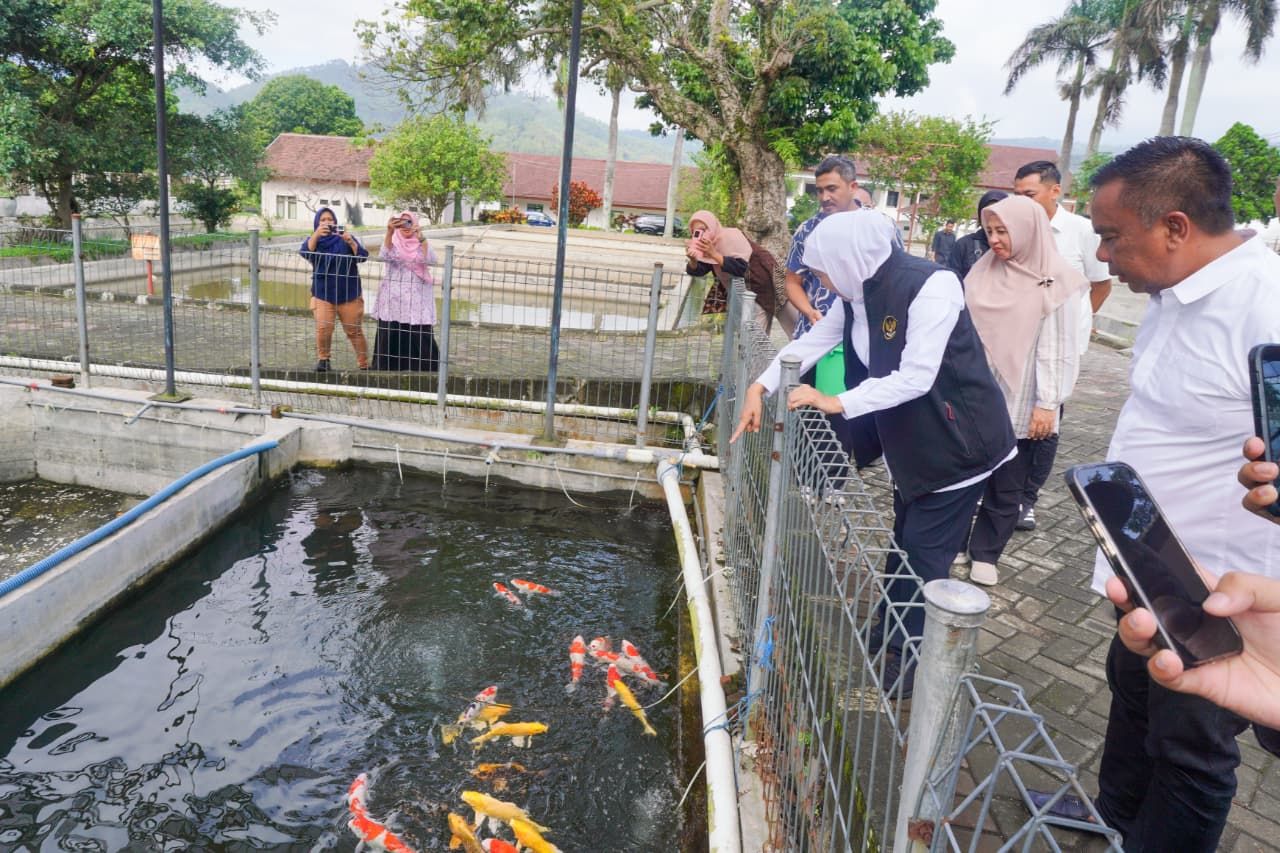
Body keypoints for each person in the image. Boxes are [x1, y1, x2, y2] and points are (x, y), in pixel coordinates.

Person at [1081, 136, 1280, 852]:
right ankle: (1110, 820)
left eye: (1110, 236)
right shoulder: (1168, 292)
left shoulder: (1266, 305)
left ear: (1174, 227)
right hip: (1146, 567)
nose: (1102, 255)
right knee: (1131, 695)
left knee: (1190, 749)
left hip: (1217, 591)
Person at [731, 210, 1016, 697]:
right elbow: (810, 342)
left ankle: (911, 664)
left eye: (821, 269)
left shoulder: (933, 286)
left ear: (847, 259)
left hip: (957, 446)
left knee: (926, 554)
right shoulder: (856, 296)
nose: (818, 280)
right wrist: (760, 386)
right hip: (913, 442)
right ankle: (890, 630)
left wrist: (835, 401)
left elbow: (917, 376)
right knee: (903, 541)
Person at [957, 195, 1086, 586]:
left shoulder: (1056, 279)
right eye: (990, 231)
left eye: (1004, 231)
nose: (995, 240)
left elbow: (1058, 348)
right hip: (976, 391)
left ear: (1028, 229)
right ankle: (957, 543)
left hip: (1023, 394)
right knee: (964, 474)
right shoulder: (983, 270)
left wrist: (1048, 403)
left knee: (1007, 480)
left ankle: (986, 553)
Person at [1010, 160, 1113, 531]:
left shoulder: (1081, 231)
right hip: (1017, 343)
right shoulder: (1015, 227)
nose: (1021, 202)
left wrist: (1075, 327)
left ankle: (1027, 499)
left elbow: (1100, 285)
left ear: (1055, 191)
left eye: (1029, 195)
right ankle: (1001, 490)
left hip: (1059, 349)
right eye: (1017, 194)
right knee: (1011, 420)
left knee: (1046, 420)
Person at [785, 156, 862, 340]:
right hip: (813, 334)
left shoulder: (877, 228)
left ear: (853, 187)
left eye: (832, 189)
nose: (825, 197)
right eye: (819, 191)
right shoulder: (808, 230)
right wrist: (810, 312)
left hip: (860, 338)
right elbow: (792, 281)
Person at [301, 207, 369, 372]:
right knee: (324, 328)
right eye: (322, 220)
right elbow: (305, 252)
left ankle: (364, 364)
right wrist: (316, 234)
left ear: (335, 222)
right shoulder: (314, 240)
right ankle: (324, 360)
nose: (327, 223)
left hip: (349, 292)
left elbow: (362, 256)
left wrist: (350, 241)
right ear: (317, 223)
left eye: (330, 219)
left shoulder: (345, 238)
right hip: (323, 292)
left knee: (354, 330)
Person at [686, 210, 779, 331]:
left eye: (703, 229)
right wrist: (693, 259)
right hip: (737, 295)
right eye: (695, 232)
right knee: (743, 335)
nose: (700, 234)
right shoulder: (709, 246)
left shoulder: (731, 236)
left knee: (756, 337)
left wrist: (714, 254)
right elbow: (698, 271)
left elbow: (742, 267)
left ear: (712, 226)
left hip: (758, 291)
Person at [371, 210, 440, 372]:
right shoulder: (393, 242)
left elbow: (431, 260)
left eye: (409, 222)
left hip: (417, 296)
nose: (405, 226)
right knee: (391, 329)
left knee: (418, 330)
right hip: (393, 295)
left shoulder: (419, 243)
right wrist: (389, 232)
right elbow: (383, 256)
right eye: (402, 222)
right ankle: (387, 367)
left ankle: (426, 369)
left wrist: (421, 237)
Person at [946, 191, 1007, 280]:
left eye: (998, 212)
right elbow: (951, 282)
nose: (992, 217)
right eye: (987, 212)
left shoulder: (1017, 247)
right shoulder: (964, 245)